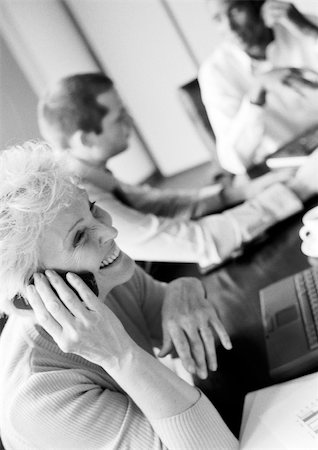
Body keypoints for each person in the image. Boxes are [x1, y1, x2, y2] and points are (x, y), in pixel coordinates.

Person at [0, 141, 238, 449]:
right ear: (33, 297)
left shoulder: (109, 276)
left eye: (93, 210)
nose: (110, 232)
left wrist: (183, 289)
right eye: (80, 237)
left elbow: (178, 327)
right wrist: (118, 355)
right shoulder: (38, 402)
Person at [39, 73, 317, 273]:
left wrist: (240, 192)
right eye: (119, 116)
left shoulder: (90, 172)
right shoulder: (80, 198)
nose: (131, 121)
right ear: (86, 140)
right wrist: (298, 189)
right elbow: (200, 241)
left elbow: (155, 202)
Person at [199, 0, 318, 174]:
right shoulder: (216, 71)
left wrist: (310, 31)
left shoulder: (302, 26)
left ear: (259, 5)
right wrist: (257, 90)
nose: (230, 28)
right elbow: (233, 161)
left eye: (235, 11)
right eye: (218, 19)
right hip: (293, 171)